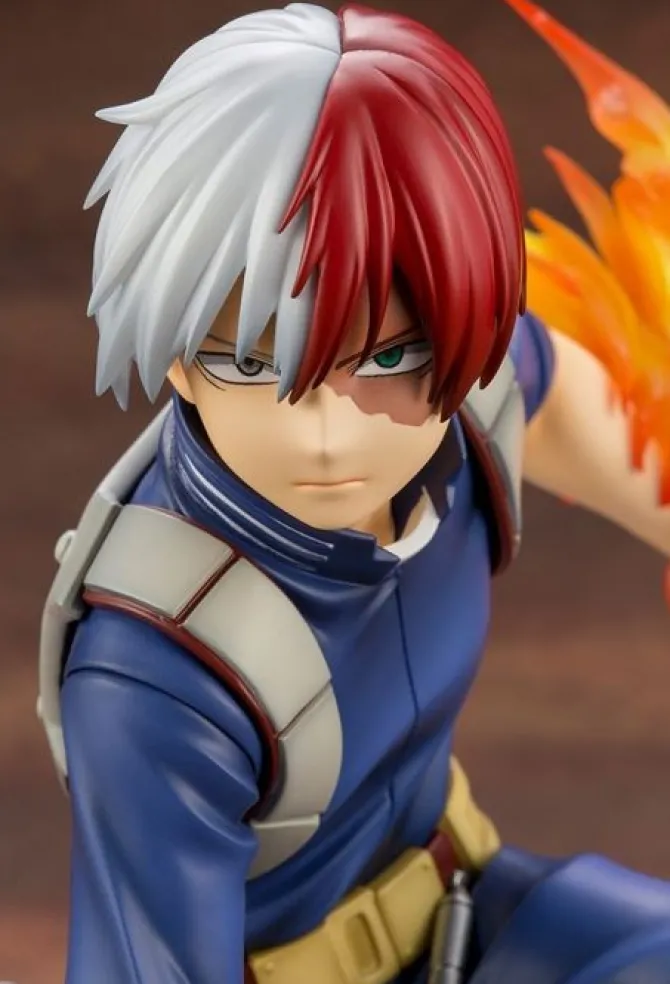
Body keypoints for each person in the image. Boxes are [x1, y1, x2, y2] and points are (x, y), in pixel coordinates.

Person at [38, 4, 670, 982]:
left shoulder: (473, 388)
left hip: (478, 912)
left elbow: (611, 436)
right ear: (176, 359)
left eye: (388, 357)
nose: (327, 434)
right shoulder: (158, 676)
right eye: (253, 364)